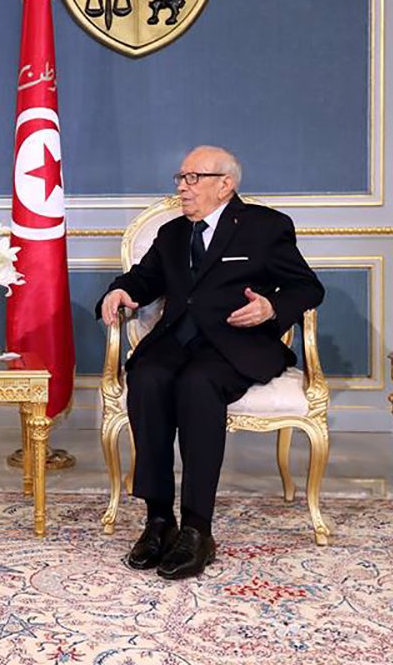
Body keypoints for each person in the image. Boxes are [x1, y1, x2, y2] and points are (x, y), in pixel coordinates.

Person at [97, 146, 324, 580]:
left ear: (226, 184)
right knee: (145, 376)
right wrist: (120, 291)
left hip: (235, 345)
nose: (182, 186)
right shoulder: (172, 233)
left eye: (192, 178)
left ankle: (198, 529)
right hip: (176, 340)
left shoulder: (266, 227)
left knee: (198, 385)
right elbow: (144, 279)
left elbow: (307, 288)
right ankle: (158, 520)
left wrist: (270, 309)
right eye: (180, 178)